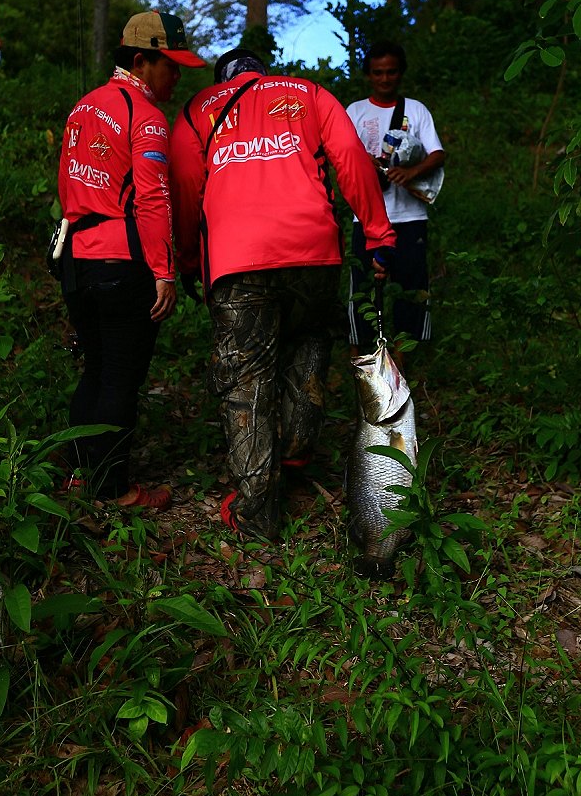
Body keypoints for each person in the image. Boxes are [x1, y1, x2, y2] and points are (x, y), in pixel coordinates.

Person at [170, 47, 396, 541]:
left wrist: (187, 259)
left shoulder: (197, 110)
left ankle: (257, 513)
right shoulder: (307, 93)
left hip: (236, 262)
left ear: (221, 77)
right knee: (310, 336)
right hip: (312, 250)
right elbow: (352, 161)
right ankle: (294, 446)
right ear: (260, 74)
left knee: (245, 376)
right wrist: (377, 234)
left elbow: (187, 188)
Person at [57, 10, 205, 507]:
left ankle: (77, 478)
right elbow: (153, 198)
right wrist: (165, 272)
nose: (177, 76)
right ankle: (114, 489)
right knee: (121, 375)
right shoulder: (146, 117)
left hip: (77, 260)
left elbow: (68, 189)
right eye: (171, 65)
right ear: (141, 61)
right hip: (124, 262)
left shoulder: (82, 109)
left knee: (96, 369)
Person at [347, 40, 445, 356]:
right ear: (368, 75)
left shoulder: (416, 110)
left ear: (400, 73)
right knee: (362, 291)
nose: (385, 79)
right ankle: (363, 363)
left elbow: (437, 153)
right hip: (367, 217)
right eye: (378, 73)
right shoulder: (355, 112)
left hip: (410, 218)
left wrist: (411, 172)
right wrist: (367, 166)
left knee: (411, 291)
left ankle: (404, 364)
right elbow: (343, 158)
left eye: (391, 72)